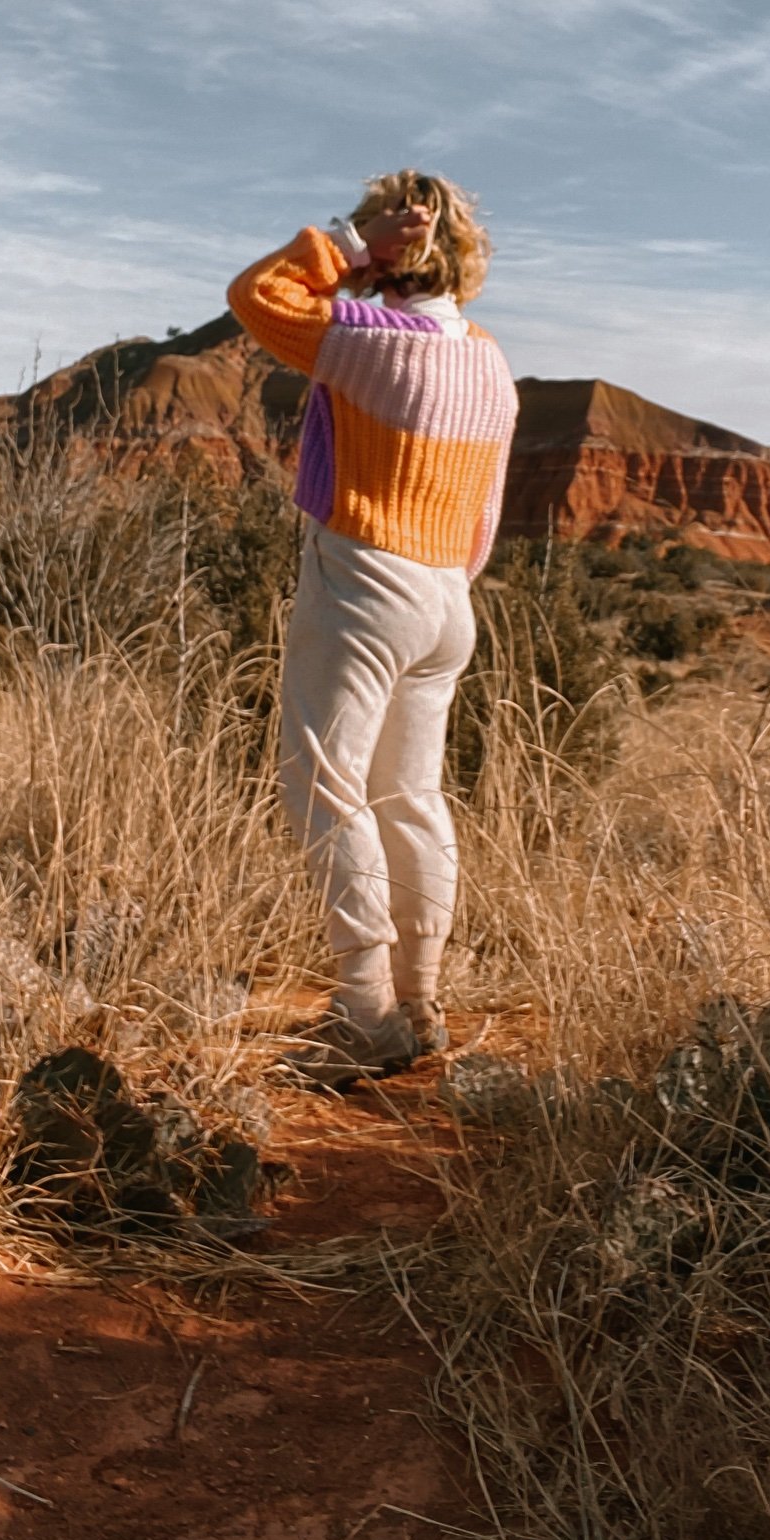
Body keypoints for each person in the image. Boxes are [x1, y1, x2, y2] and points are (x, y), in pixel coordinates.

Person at [227, 170, 519, 1086]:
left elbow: (255, 297)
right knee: (411, 796)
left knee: (322, 786)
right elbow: (486, 516)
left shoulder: (357, 340)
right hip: (447, 599)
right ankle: (420, 1004)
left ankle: (360, 1014)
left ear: (387, 249)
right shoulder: (489, 360)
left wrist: (352, 249)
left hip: (365, 575)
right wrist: (439, 581)